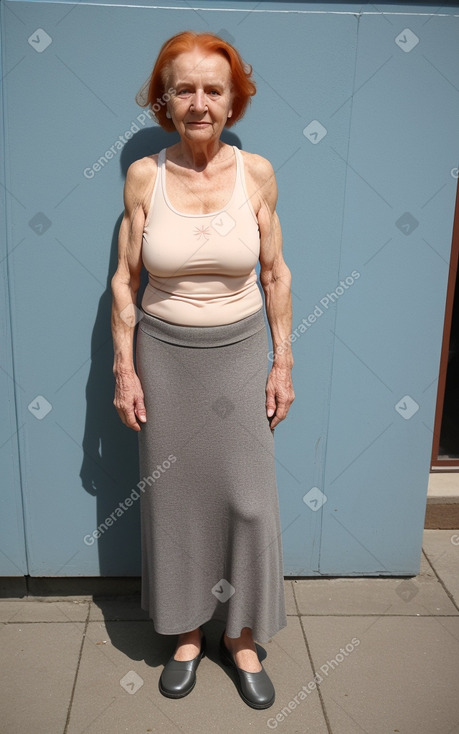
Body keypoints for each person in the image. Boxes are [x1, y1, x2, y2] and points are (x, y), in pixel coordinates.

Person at [111, 30, 294, 710]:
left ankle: (240, 637)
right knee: (175, 503)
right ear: (166, 100)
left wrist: (283, 362)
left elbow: (274, 274)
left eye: (212, 90)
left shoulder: (257, 173)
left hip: (242, 355)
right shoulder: (143, 177)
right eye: (183, 88)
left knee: (248, 501)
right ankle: (187, 634)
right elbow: (125, 283)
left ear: (232, 99)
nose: (198, 103)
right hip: (164, 357)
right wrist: (124, 371)